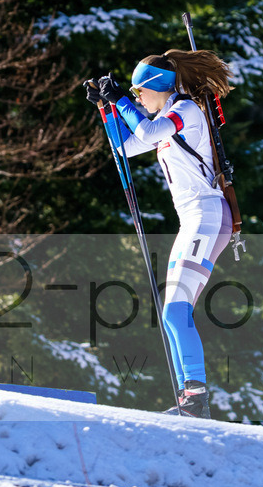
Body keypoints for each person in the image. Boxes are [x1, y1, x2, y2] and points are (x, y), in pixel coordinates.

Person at [86, 50, 235, 419]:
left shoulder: (183, 112)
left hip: (207, 215)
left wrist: (120, 99)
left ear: (158, 88)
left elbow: (147, 130)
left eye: (139, 92)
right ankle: (191, 398)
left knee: (176, 310)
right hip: (194, 221)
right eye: (133, 94)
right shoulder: (167, 120)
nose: (137, 99)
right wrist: (107, 109)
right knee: (171, 313)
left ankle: (196, 400)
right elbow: (124, 146)